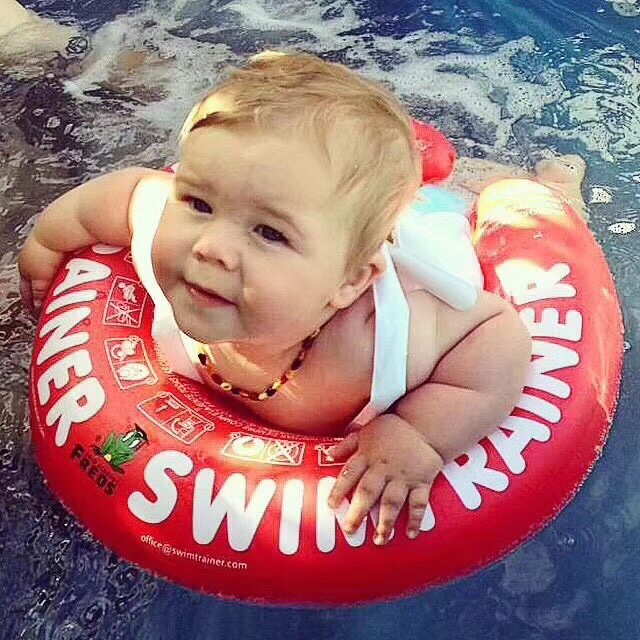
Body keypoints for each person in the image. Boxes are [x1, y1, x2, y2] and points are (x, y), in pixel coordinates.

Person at [18, 52, 540, 547]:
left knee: (471, 199)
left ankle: (544, 180)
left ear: (350, 282)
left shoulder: (375, 338)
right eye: (199, 202)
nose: (211, 247)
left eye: (269, 233)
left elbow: (497, 334)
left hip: (429, 234)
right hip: (329, 231)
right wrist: (44, 244)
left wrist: (418, 432)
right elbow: (123, 194)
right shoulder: (167, 234)